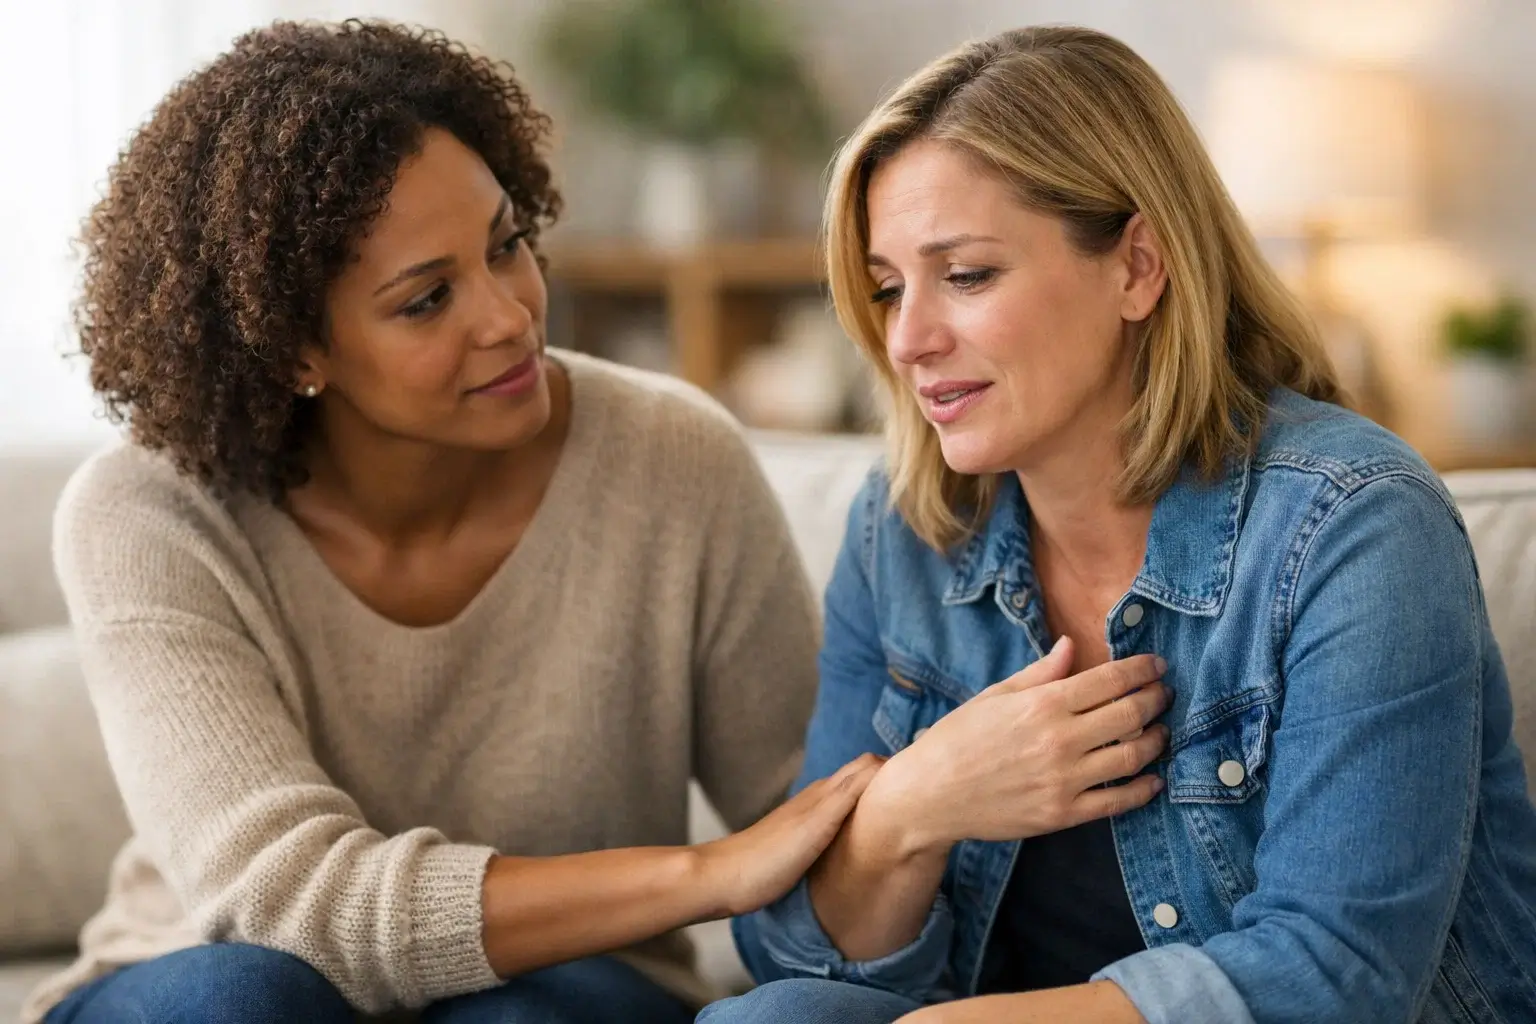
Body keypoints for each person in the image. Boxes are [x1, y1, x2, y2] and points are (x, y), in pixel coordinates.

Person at [26, 20, 882, 1024]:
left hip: (564, 989)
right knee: (239, 995)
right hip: (224, 979)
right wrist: (703, 874)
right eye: (428, 299)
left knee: (521, 1015)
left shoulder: (672, 459)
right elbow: (285, 902)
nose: (511, 315)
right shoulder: (148, 514)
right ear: (296, 347)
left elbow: (808, 809)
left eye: (507, 244)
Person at [702, 24, 1536, 1024]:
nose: (909, 338)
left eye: (965, 275)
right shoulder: (906, 530)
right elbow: (794, 950)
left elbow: (1337, 974)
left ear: (1138, 265)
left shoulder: (1352, 526)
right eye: (887, 288)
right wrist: (909, 810)